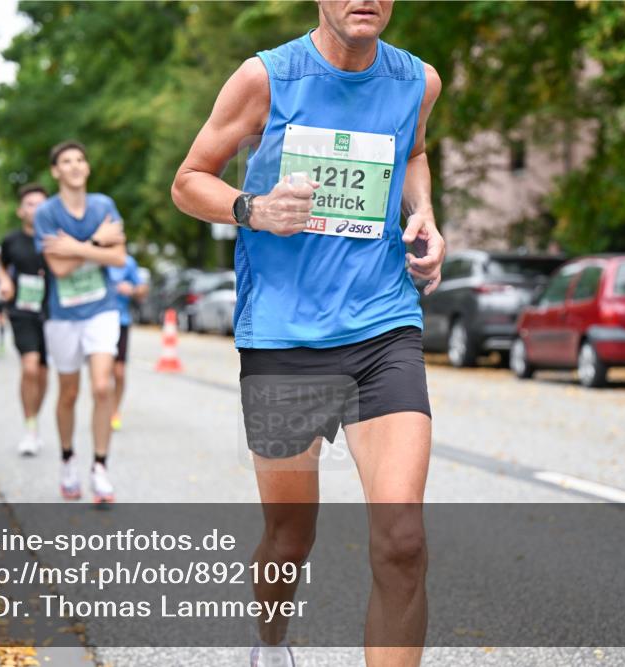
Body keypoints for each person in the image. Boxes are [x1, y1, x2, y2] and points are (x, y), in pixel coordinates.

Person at [171, 2, 445, 665]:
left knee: (402, 537)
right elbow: (188, 182)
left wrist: (426, 216)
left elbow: (413, 152)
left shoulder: (419, 81)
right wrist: (254, 208)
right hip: (284, 337)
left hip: (383, 325)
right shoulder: (266, 78)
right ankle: (270, 641)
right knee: (290, 536)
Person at [35, 141, 127, 504]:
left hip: (102, 309)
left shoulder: (104, 206)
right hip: (63, 315)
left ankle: (100, 467)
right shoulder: (46, 212)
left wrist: (74, 247)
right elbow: (57, 269)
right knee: (69, 393)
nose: (74, 166)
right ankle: (68, 459)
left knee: (102, 387)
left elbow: (119, 257)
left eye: (80, 159)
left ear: (86, 168)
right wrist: (94, 244)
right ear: (56, 171)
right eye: (65, 162)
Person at [0, 183, 51, 457]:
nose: (36, 209)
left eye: (42, 203)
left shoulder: (55, 237)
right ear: (21, 210)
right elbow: (0, 267)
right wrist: (5, 280)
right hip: (21, 310)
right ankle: (30, 429)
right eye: (31, 204)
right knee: (29, 368)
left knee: (42, 373)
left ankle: (34, 419)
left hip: (51, 312)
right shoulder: (11, 241)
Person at [106, 254, 149, 431]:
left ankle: (115, 410)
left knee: (119, 372)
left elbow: (142, 290)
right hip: (100, 322)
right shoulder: (95, 256)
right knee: (103, 372)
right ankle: (103, 408)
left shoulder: (127, 262)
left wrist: (131, 290)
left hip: (121, 322)